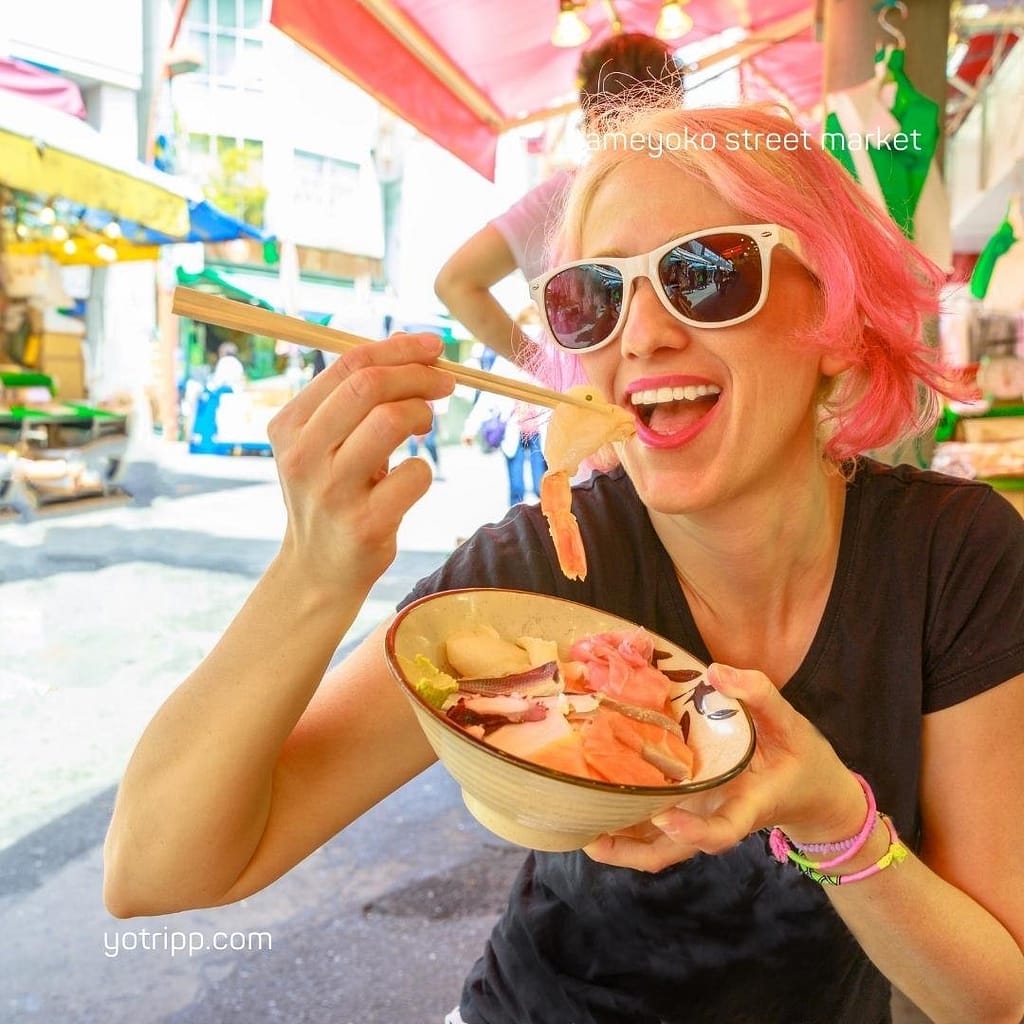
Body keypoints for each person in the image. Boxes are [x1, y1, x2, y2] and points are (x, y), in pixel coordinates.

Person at [103, 102, 1024, 1024]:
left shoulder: (951, 558)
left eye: (705, 274)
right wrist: (314, 571)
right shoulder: (547, 562)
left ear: (833, 313)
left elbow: (997, 997)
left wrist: (835, 822)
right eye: (595, 296)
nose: (643, 335)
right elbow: (157, 868)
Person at [434, 32, 684, 364]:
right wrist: (542, 367)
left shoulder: (682, 186)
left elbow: (456, 283)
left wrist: (541, 366)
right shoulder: (563, 196)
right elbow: (454, 283)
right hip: (600, 399)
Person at [461, 353, 547, 507]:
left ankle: (548, 524)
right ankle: (517, 524)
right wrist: (470, 428)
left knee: (542, 487)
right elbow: (487, 397)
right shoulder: (505, 362)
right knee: (516, 488)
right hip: (513, 430)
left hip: (539, 432)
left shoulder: (543, 358)